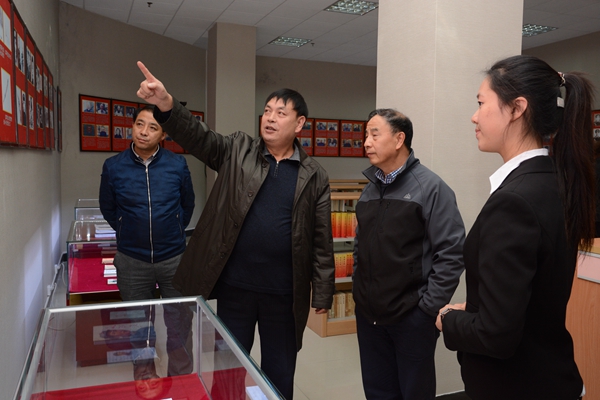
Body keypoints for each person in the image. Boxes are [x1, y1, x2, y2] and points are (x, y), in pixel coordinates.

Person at [135, 60, 335, 400]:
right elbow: (198, 137)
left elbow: (321, 239)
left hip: (284, 294)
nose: (270, 118)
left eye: (281, 113)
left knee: (279, 371)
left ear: (300, 123)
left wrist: (324, 291)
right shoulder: (238, 150)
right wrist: (166, 105)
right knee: (228, 369)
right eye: (267, 111)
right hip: (235, 288)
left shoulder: (314, 175)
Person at [436, 55, 595, 400]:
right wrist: (475, 311)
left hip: (517, 384)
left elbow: (495, 335)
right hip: (551, 377)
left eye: (481, 103)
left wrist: (447, 318)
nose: (475, 116)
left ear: (517, 108)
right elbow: (527, 301)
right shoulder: (553, 183)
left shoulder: (515, 202)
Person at [353, 108, 465, 400]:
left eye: (374, 134)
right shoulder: (369, 191)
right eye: (366, 135)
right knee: (378, 392)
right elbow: (359, 246)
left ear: (399, 139)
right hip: (369, 317)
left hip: (411, 319)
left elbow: (452, 253)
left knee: (414, 392)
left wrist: (426, 310)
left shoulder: (431, 188)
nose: (366, 142)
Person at [99, 105, 196, 379]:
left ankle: (181, 381)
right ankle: (145, 382)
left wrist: (174, 228)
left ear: (163, 135)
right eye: (139, 124)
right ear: (132, 126)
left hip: (173, 259)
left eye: (153, 127)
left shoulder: (177, 164)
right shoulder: (114, 166)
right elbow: (108, 208)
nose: (144, 132)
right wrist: (126, 229)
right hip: (132, 260)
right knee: (138, 326)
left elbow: (187, 204)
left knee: (179, 324)